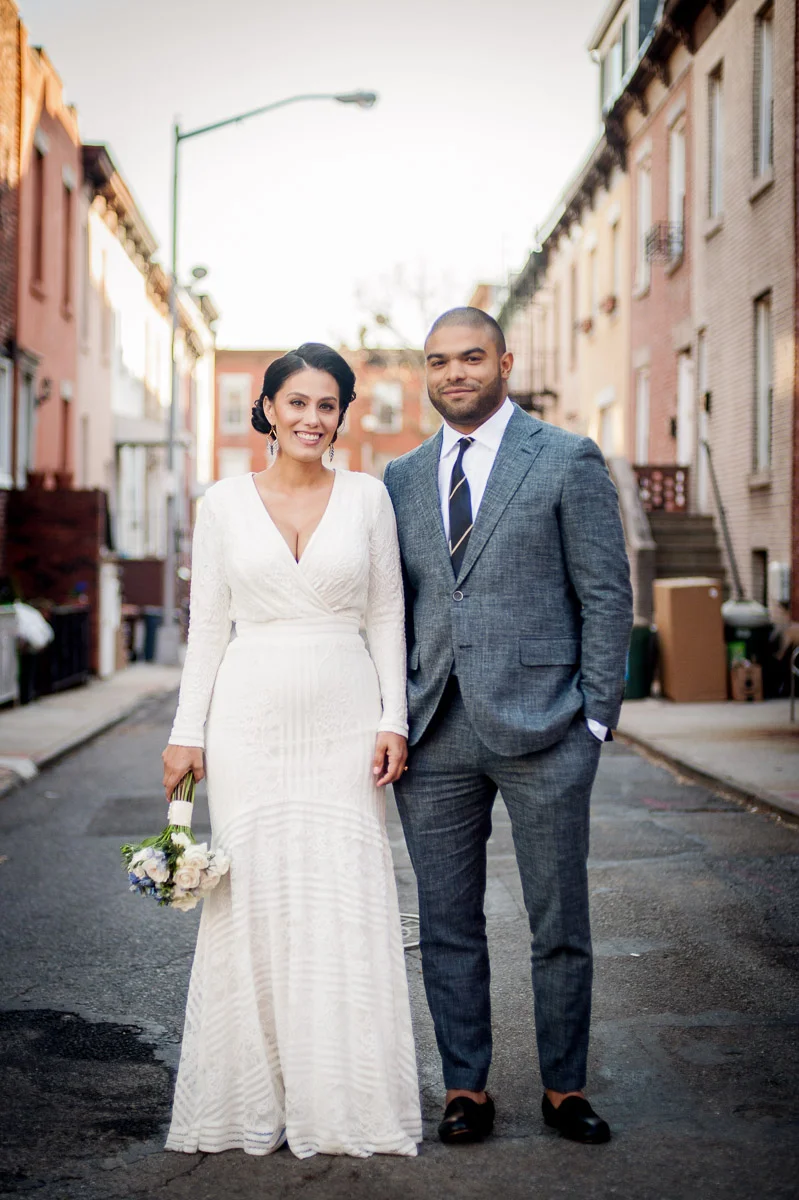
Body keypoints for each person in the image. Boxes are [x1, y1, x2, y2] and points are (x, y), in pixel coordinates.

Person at [162, 343, 421, 1159]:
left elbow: (387, 616)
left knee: (343, 899)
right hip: (247, 724)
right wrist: (185, 731)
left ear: (342, 415)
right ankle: (249, 1099)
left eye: (327, 405)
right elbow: (207, 624)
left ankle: (344, 1102)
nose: (312, 418)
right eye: (296, 402)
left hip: (346, 721)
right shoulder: (221, 505)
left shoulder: (369, 499)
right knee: (253, 901)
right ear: (268, 408)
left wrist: (395, 719)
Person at [384, 308, 633, 1146]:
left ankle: (564, 1087)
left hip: (547, 729)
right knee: (447, 922)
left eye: (469, 357)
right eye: (437, 361)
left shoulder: (565, 459)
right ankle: (466, 1088)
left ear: (503, 362)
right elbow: (397, 606)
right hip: (434, 733)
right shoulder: (401, 477)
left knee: (557, 920)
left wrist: (595, 720)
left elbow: (605, 595)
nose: (454, 372)